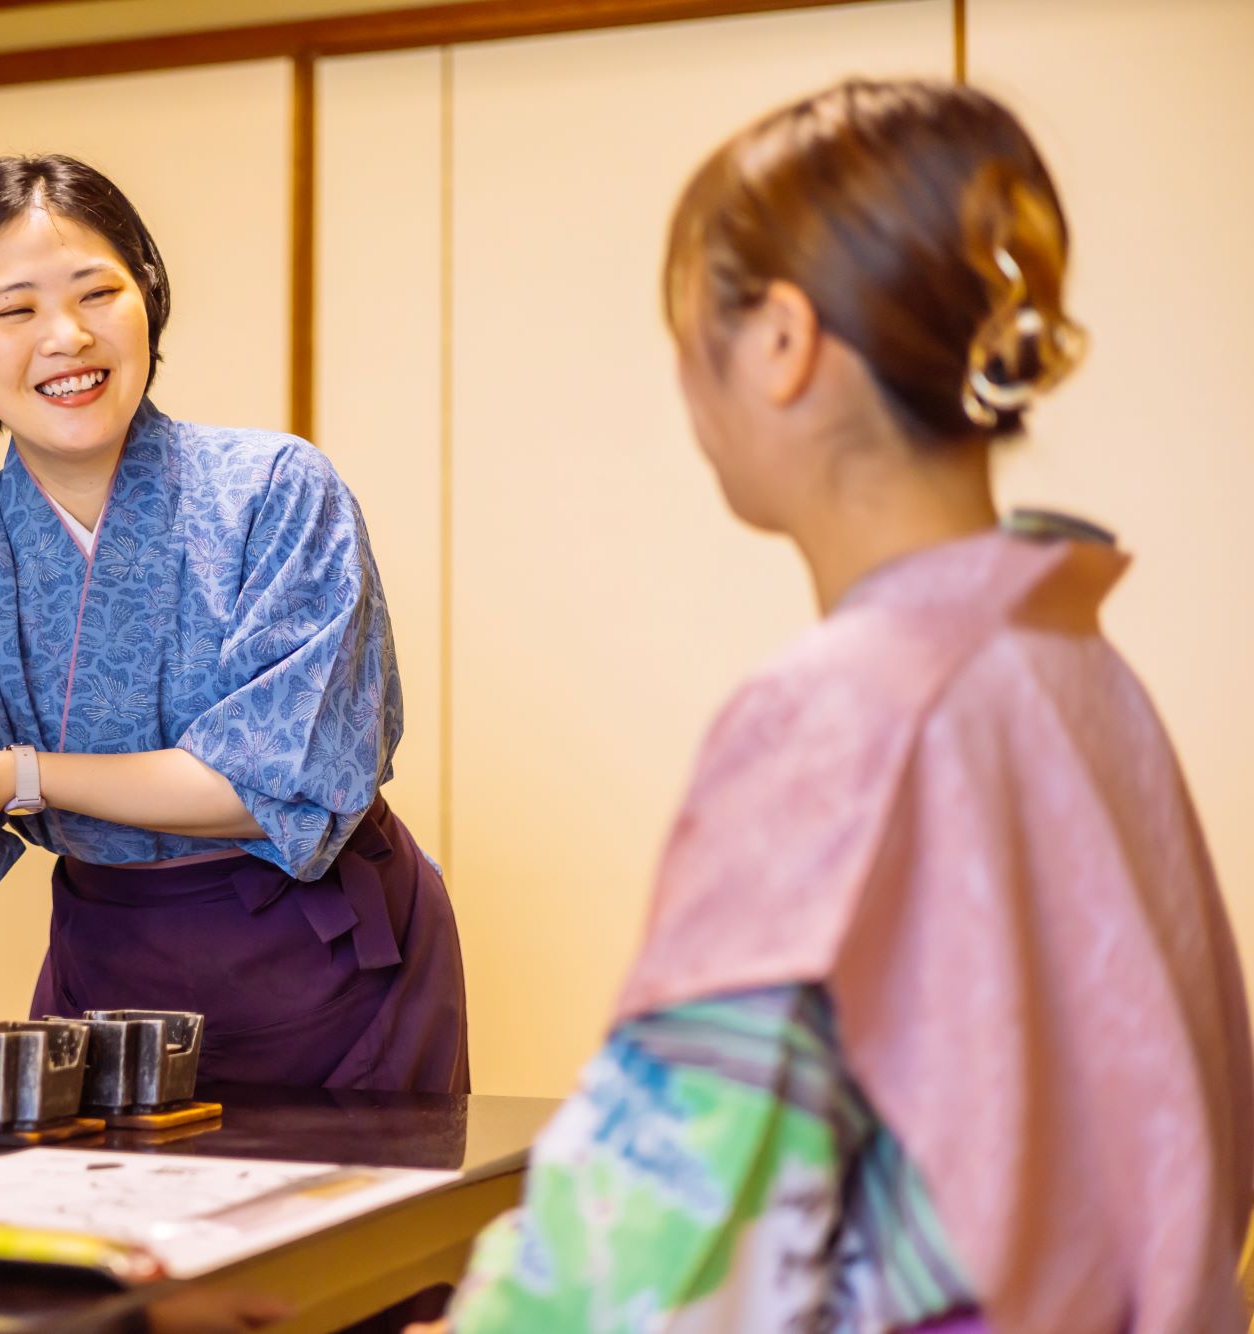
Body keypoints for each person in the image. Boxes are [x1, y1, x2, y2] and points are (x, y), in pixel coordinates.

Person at [437, 79, 1252, 1331]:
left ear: (777, 339)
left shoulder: (837, 709)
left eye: (686, 327)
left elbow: (660, 1228)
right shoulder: (1079, 668)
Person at [0, 155, 468, 1095]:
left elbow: (278, 773)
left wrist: (18, 776)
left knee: (350, 1240)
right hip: (110, 968)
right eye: (14, 310)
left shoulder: (276, 491)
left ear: (146, 293)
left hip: (333, 970)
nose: (65, 337)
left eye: (97, 292)